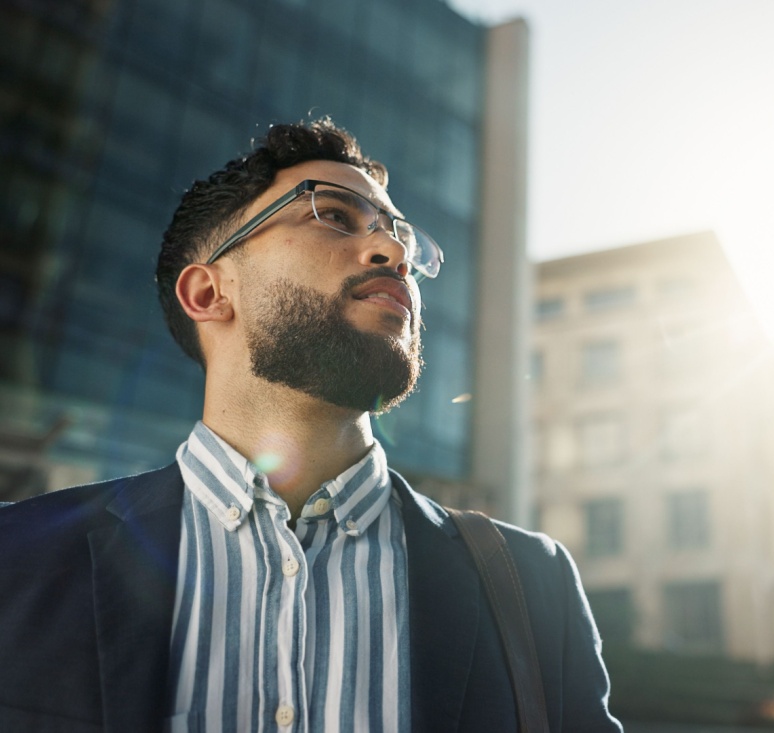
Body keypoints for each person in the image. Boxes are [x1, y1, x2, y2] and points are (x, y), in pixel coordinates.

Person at [0, 119, 621, 732]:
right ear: (208, 292)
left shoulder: (531, 582)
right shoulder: (18, 559)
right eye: (333, 216)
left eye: (398, 234)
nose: (396, 252)